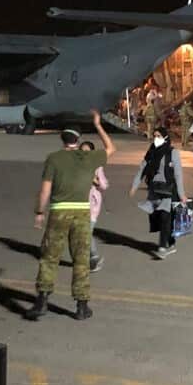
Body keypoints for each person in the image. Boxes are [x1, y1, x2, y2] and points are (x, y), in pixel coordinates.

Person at [28, 111, 115, 321]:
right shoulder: (89, 157)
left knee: (50, 257)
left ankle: (42, 300)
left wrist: (40, 212)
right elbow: (111, 148)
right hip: (82, 212)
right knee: (81, 259)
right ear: (78, 139)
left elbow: (45, 191)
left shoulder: (54, 159)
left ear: (62, 137)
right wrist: (98, 125)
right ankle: (81, 306)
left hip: (59, 211)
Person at [129, 126, 189, 259]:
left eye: (159, 136)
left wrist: (182, 193)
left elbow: (178, 174)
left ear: (165, 137)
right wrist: (134, 185)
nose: (156, 139)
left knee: (165, 217)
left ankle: (162, 246)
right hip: (155, 190)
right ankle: (171, 242)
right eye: (154, 136)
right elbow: (142, 169)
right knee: (158, 217)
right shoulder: (151, 152)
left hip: (168, 190)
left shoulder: (172, 152)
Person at [81, 140, 108, 273]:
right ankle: (89, 258)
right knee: (82, 232)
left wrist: (94, 179)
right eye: (82, 151)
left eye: (87, 151)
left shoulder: (97, 167)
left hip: (92, 205)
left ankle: (94, 257)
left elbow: (104, 185)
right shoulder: (77, 166)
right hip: (79, 203)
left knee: (86, 232)